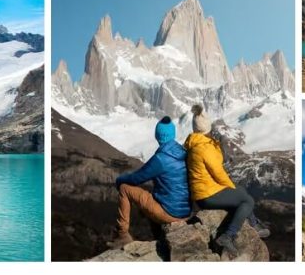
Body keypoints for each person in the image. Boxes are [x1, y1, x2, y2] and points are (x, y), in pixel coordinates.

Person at [185, 105, 269, 257]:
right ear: (207, 127)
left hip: (203, 191)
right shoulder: (204, 147)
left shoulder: (194, 143)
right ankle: (228, 236)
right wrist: (231, 187)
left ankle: (254, 224)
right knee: (247, 200)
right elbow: (218, 173)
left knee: (241, 191)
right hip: (208, 195)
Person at [109, 116, 191, 249]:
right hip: (185, 211)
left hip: (170, 212)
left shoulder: (161, 159)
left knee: (125, 188)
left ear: (158, 136)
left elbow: (136, 178)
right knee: (151, 197)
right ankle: (160, 240)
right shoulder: (183, 152)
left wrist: (119, 180)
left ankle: (122, 235)